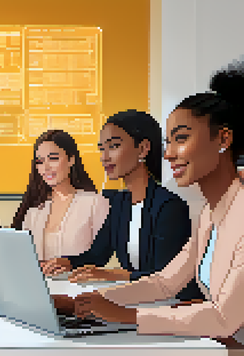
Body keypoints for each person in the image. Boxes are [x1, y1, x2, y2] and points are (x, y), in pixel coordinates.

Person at [73, 60, 244, 348]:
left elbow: (224, 318)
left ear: (223, 138)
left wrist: (128, 316)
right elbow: (164, 282)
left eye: (181, 139)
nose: (168, 154)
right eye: (168, 142)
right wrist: (98, 300)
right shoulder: (210, 214)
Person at [40, 110, 203, 302]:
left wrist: (118, 275)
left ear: (142, 149)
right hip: (138, 298)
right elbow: (98, 254)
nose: (104, 157)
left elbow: (166, 277)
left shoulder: (169, 206)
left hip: (171, 304)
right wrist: (67, 262)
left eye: (114, 146)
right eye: (101, 149)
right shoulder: (119, 203)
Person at [11, 129, 110, 262]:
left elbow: (102, 255)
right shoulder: (34, 210)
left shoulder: (94, 203)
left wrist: (73, 264)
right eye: (40, 162)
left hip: (79, 282)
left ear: (71, 160)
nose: (46, 167)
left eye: (53, 159)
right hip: (39, 282)